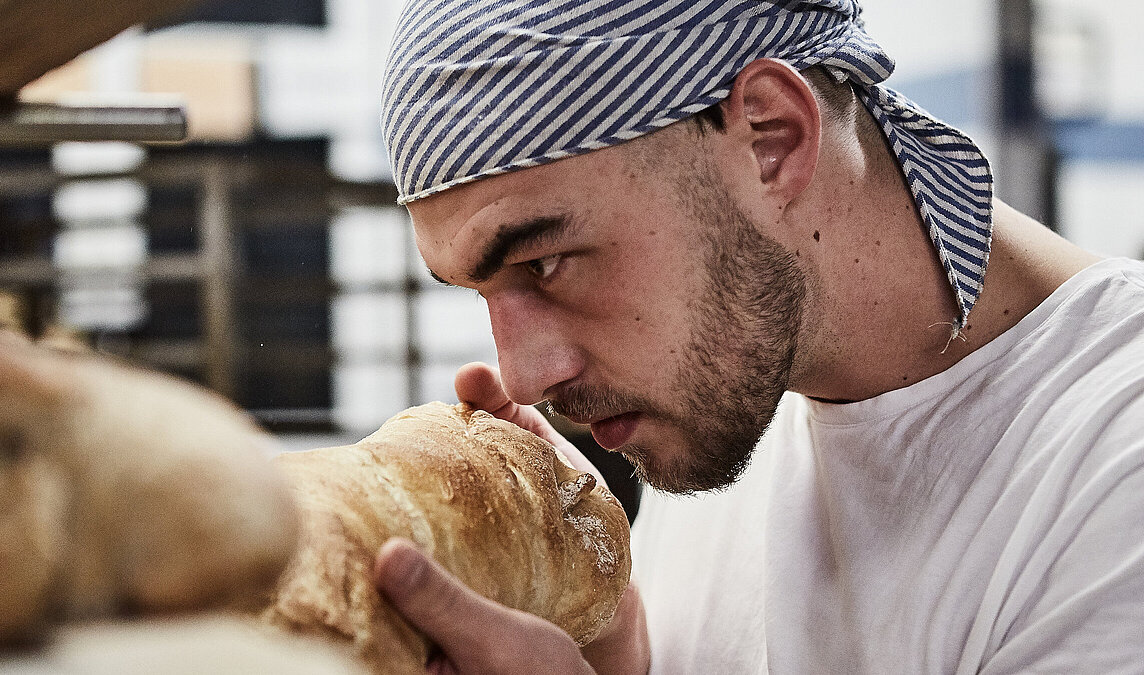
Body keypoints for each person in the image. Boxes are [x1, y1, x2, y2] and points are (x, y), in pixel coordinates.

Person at [370, 0, 1144, 673]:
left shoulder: (1111, 467)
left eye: (545, 263)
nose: (523, 373)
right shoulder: (741, 376)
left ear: (771, 137)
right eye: (483, 292)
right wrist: (620, 649)